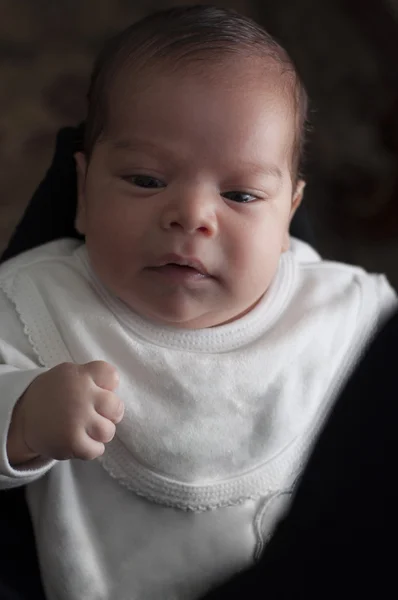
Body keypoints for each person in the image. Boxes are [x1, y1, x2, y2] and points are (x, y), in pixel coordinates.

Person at [0, 5, 395, 600]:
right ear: (81, 190)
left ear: (289, 215)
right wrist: (23, 417)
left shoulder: (348, 311)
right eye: (145, 180)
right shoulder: (36, 300)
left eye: (239, 194)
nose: (191, 216)